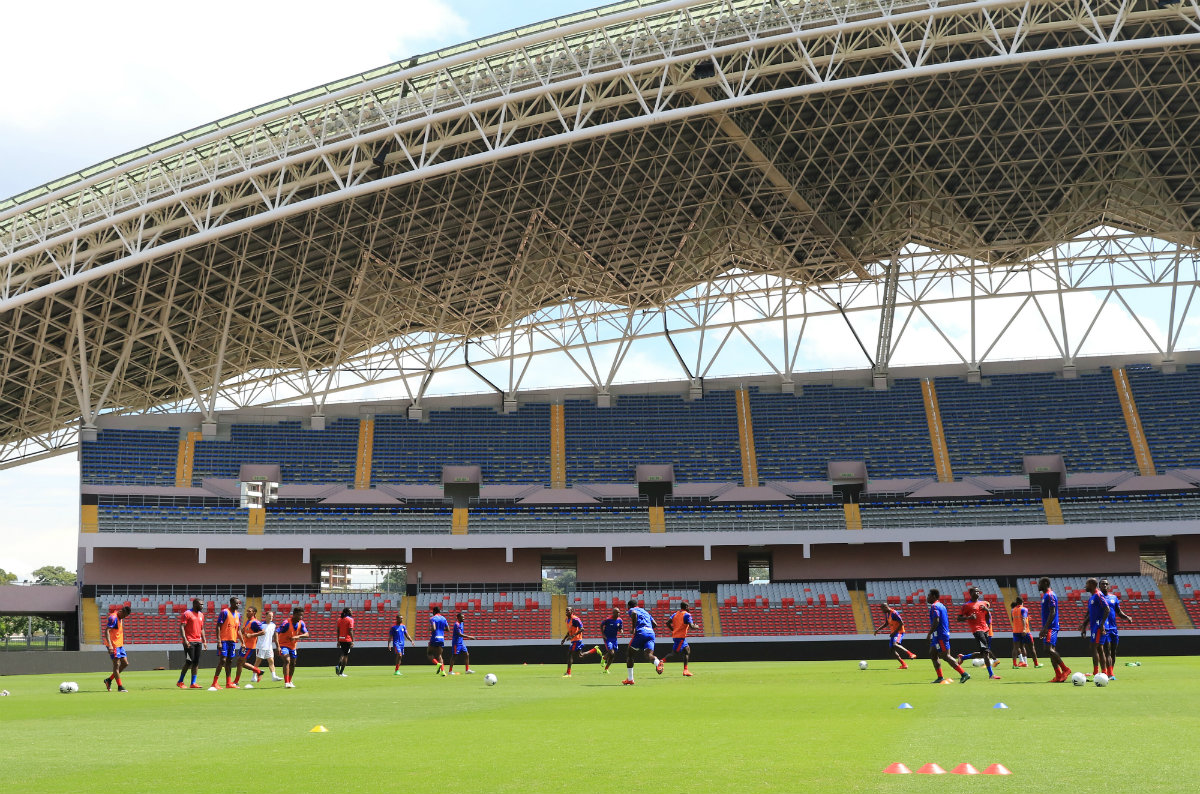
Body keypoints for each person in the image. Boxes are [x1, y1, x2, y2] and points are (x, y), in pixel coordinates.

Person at [925, 590, 970, 684]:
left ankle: (964, 674)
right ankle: (940, 677)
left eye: (928, 595)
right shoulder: (941, 605)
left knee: (946, 656)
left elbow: (936, 620)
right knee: (933, 653)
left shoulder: (935, 606)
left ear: (933, 596)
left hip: (940, 635)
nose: (927, 597)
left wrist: (929, 633)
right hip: (938, 635)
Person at [955, 586, 1000, 679]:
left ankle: (963, 657)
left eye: (978, 592)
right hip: (977, 630)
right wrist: (969, 618)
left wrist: (987, 610)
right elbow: (958, 618)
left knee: (983, 653)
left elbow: (988, 616)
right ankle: (991, 675)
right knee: (986, 653)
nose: (978, 593)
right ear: (970, 594)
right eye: (975, 592)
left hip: (986, 630)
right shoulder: (966, 606)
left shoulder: (983, 603)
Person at [621, 598, 663, 685]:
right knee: (648, 655)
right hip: (651, 633)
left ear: (629, 606)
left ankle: (630, 679)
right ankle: (658, 662)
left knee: (630, 655)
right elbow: (655, 624)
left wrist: (633, 628)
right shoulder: (645, 612)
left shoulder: (632, 610)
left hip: (641, 633)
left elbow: (634, 613)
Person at [1038, 577, 1071, 682]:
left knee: (1048, 649)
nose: (1038, 585)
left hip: (1051, 627)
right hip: (1049, 627)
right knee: (1050, 651)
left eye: (1039, 583)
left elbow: (1053, 612)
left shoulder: (1050, 595)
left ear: (1045, 583)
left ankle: (1065, 669)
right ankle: (1058, 675)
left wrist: (1045, 628)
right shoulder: (1045, 595)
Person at [1098, 578, 1133, 678]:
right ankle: (1108, 673)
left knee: (1113, 652)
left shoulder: (1114, 598)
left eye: (1106, 584)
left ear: (1109, 586)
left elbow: (1118, 612)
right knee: (1107, 651)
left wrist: (1127, 617)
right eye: (1102, 584)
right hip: (1105, 628)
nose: (1104, 585)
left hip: (1114, 628)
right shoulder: (1098, 598)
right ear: (1099, 586)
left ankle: (1110, 672)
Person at [1078, 577, 1111, 679]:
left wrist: (1101, 625)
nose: (1085, 586)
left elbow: (1107, 609)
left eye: (1087, 584)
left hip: (1098, 627)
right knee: (1099, 649)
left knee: (1094, 648)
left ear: (1092, 584)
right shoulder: (1092, 597)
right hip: (1094, 627)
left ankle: (1097, 673)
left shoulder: (1098, 595)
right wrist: (1084, 626)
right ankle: (1103, 672)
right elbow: (1090, 615)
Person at [209, 596, 243, 690]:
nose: (238, 605)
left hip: (232, 640)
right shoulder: (224, 612)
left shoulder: (238, 614)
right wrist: (219, 641)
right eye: (236, 603)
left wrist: (242, 642)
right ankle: (214, 682)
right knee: (222, 660)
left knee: (230, 661)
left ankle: (229, 683)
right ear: (231, 603)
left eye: (238, 603)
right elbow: (218, 626)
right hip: (224, 640)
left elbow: (238, 630)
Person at [872, 603, 918, 669]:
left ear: (885, 607)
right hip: (894, 633)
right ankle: (904, 664)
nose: (882, 611)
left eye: (882, 609)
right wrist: (878, 629)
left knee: (895, 644)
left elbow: (901, 623)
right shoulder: (887, 614)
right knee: (891, 650)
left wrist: (894, 632)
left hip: (899, 632)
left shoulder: (894, 613)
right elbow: (886, 623)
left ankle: (911, 654)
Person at [560, 607, 602, 677]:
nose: (566, 612)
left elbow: (582, 628)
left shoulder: (575, 619)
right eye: (566, 610)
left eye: (568, 610)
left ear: (572, 611)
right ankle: (594, 650)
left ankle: (568, 673)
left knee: (570, 653)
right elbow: (569, 630)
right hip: (573, 639)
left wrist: (573, 636)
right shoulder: (567, 620)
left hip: (577, 639)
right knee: (580, 655)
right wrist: (564, 639)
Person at [660, 601, 697, 676]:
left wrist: (673, 630)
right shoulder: (687, 615)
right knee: (674, 653)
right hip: (680, 637)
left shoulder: (675, 614)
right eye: (688, 607)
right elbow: (692, 627)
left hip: (678, 637)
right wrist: (697, 626)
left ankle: (686, 670)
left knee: (687, 650)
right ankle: (661, 662)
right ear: (686, 607)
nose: (689, 608)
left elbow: (667, 623)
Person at [176, 598, 207, 689]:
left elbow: (202, 629)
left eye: (202, 604)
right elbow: (182, 627)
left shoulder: (201, 615)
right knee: (189, 661)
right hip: (189, 641)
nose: (202, 606)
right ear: (195, 604)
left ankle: (193, 683)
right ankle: (180, 681)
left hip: (198, 641)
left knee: (196, 662)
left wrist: (204, 641)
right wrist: (185, 639)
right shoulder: (187, 614)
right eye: (200, 604)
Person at [276, 607, 309, 688]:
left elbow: (307, 634)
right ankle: (286, 682)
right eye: (299, 615)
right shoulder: (286, 622)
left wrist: (297, 636)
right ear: (294, 615)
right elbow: (276, 632)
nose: (301, 617)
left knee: (293, 664)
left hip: (293, 647)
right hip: (283, 645)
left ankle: (290, 681)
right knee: (287, 660)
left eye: (302, 615)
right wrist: (278, 647)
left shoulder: (301, 623)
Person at [234, 606, 265, 687]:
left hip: (249, 646)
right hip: (244, 645)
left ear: (254, 613)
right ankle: (258, 671)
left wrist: (252, 635)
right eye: (247, 611)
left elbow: (263, 632)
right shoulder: (247, 621)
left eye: (249, 611)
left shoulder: (255, 622)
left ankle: (236, 681)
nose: (247, 612)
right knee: (241, 663)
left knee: (240, 662)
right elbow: (244, 631)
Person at [103, 605, 131, 692]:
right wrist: (110, 645)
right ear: (121, 612)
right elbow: (107, 631)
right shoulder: (113, 618)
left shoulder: (120, 617)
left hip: (119, 645)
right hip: (114, 645)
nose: (124, 617)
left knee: (125, 663)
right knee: (116, 665)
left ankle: (109, 680)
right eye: (125, 615)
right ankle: (120, 687)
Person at [1009, 597, 1039, 669]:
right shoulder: (1024, 609)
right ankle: (1036, 664)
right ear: (1022, 602)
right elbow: (1023, 618)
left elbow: (1013, 620)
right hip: (1025, 631)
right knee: (1031, 647)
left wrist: (1027, 618)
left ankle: (1015, 664)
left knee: (1016, 648)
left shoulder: (1013, 610)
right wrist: (1024, 629)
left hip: (1016, 631)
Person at [254, 609, 283, 683]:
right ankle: (254, 676)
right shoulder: (261, 625)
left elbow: (275, 636)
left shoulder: (273, 625)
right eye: (269, 616)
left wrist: (278, 646)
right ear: (266, 616)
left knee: (271, 661)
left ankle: (274, 676)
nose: (271, 617)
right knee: (258, 661)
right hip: (261, 646)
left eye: (272, 616)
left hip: (269, 647)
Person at [599, 607, 623, 673]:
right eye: (617, 612)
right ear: (613, 613)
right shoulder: (608, 619)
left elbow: (620, 628)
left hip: (614, 638)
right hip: (607, 638)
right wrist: (603, 634)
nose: (619, 613)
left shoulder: (620, 620)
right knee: (611, 653)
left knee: (613, 652)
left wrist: (621, 630)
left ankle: (604, 660)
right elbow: (601, 625)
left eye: (619, 612)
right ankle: (606, 668)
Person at [427, 604, 448, 676]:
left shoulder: (433, 618)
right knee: (439, 655)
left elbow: (434, 628)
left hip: (434, 638)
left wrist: (430, 629)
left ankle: (437, 664)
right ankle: (443, 672)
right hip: (441, 638)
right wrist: (441, 629)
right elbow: (448, 629)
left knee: (429, 654)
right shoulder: (444, 618)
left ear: (434, 612)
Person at [335, 608, 354, 677]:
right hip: (347, 640)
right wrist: (352, 640)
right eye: (351, 611)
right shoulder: (350, 620)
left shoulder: (339, 620)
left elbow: (338, 631)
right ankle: (340, 672)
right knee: (346, 655)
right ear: (348, 612)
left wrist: (338, 641)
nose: (352, 612)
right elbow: (350, 631)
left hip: (341, 639)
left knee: (343, 653)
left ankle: (338, 666)